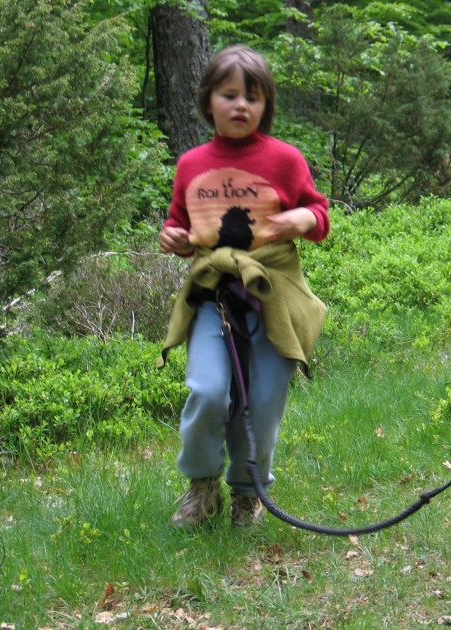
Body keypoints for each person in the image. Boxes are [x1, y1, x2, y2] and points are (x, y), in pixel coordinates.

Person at [157, 45, 330, 528]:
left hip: (273, 297)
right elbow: (182, 227)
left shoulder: (285, 159)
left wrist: (302, 217)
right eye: (228, 94)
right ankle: (201, 486)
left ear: (266, 106)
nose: (240, 106)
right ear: (207, 99)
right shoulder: (191, 164)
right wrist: (172, 238)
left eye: (252, 98)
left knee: (263, 403)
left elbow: (319, 215)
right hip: (214, 298)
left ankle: (246, 493)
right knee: (209, 391)